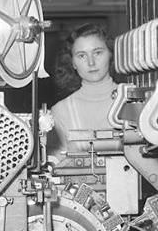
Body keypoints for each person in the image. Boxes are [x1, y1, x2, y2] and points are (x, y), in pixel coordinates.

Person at [47, 23, 117, 156]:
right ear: (72, 62)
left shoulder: (131, 99)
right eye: (82, 56)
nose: (91, 62)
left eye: (97, 53)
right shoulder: (61, 110)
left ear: (110, 54)